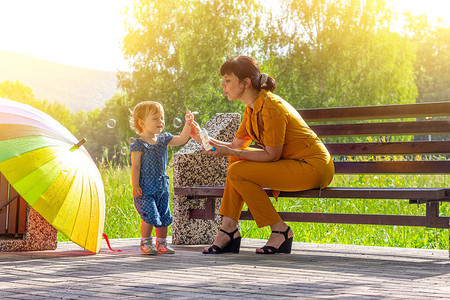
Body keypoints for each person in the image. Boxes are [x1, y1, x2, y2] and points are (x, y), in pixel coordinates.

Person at [190, 56, 335, 254]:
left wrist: (231, 151)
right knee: (236, 160)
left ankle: (280, 230)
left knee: (237, 169)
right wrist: (202, 138)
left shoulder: (271, 108)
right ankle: (228, 228)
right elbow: (235, 146)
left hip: (312, 167)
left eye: (228, 80)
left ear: (246, 83)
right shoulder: (251, 109)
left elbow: (272, 156)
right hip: (291, 163)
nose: (223, 85)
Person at [130, 101, 194, 255]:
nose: (160, 122)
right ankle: (145, 242)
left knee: (164, 216)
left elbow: (182, 139)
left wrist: (188, 124)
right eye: (155, 118)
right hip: (145, 188)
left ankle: (162, 244)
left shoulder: (164, 139)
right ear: (141, 123)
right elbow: (136, 166)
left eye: (162, 118)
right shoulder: (138, 144)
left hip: (162, 187)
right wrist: (135, 185)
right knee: (150, 215)